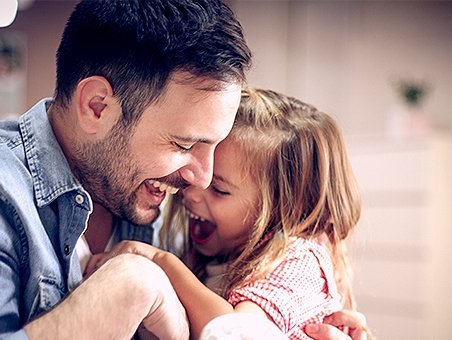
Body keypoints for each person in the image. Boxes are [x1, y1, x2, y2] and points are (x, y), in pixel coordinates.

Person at [0, 0, 365, 338]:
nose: (199, 178)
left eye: (214, 147)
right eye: (184, 143)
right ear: (97, 106)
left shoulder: (157, 204)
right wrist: (131, 288)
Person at [87, 88, 370, 339]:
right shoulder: (215, 254)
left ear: (285, 211)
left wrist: (161, 263)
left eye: (218, 189)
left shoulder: (300, 263)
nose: (192, 192)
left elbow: (234, 332)